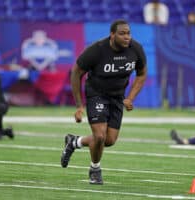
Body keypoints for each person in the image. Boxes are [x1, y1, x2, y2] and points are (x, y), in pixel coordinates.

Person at [61, 19, 147, 184]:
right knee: (99, 136)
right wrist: (79, 105)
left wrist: (130, 98)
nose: (127, 37)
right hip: (96, 94)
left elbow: (142, 73)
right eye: (122, 34)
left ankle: (74, 142)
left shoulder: (135, 49)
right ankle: (95, 170)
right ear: (112, 35)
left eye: (128, 33)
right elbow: (76, 72)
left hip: (117, 97)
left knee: (109, 140)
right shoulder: (97, 50)